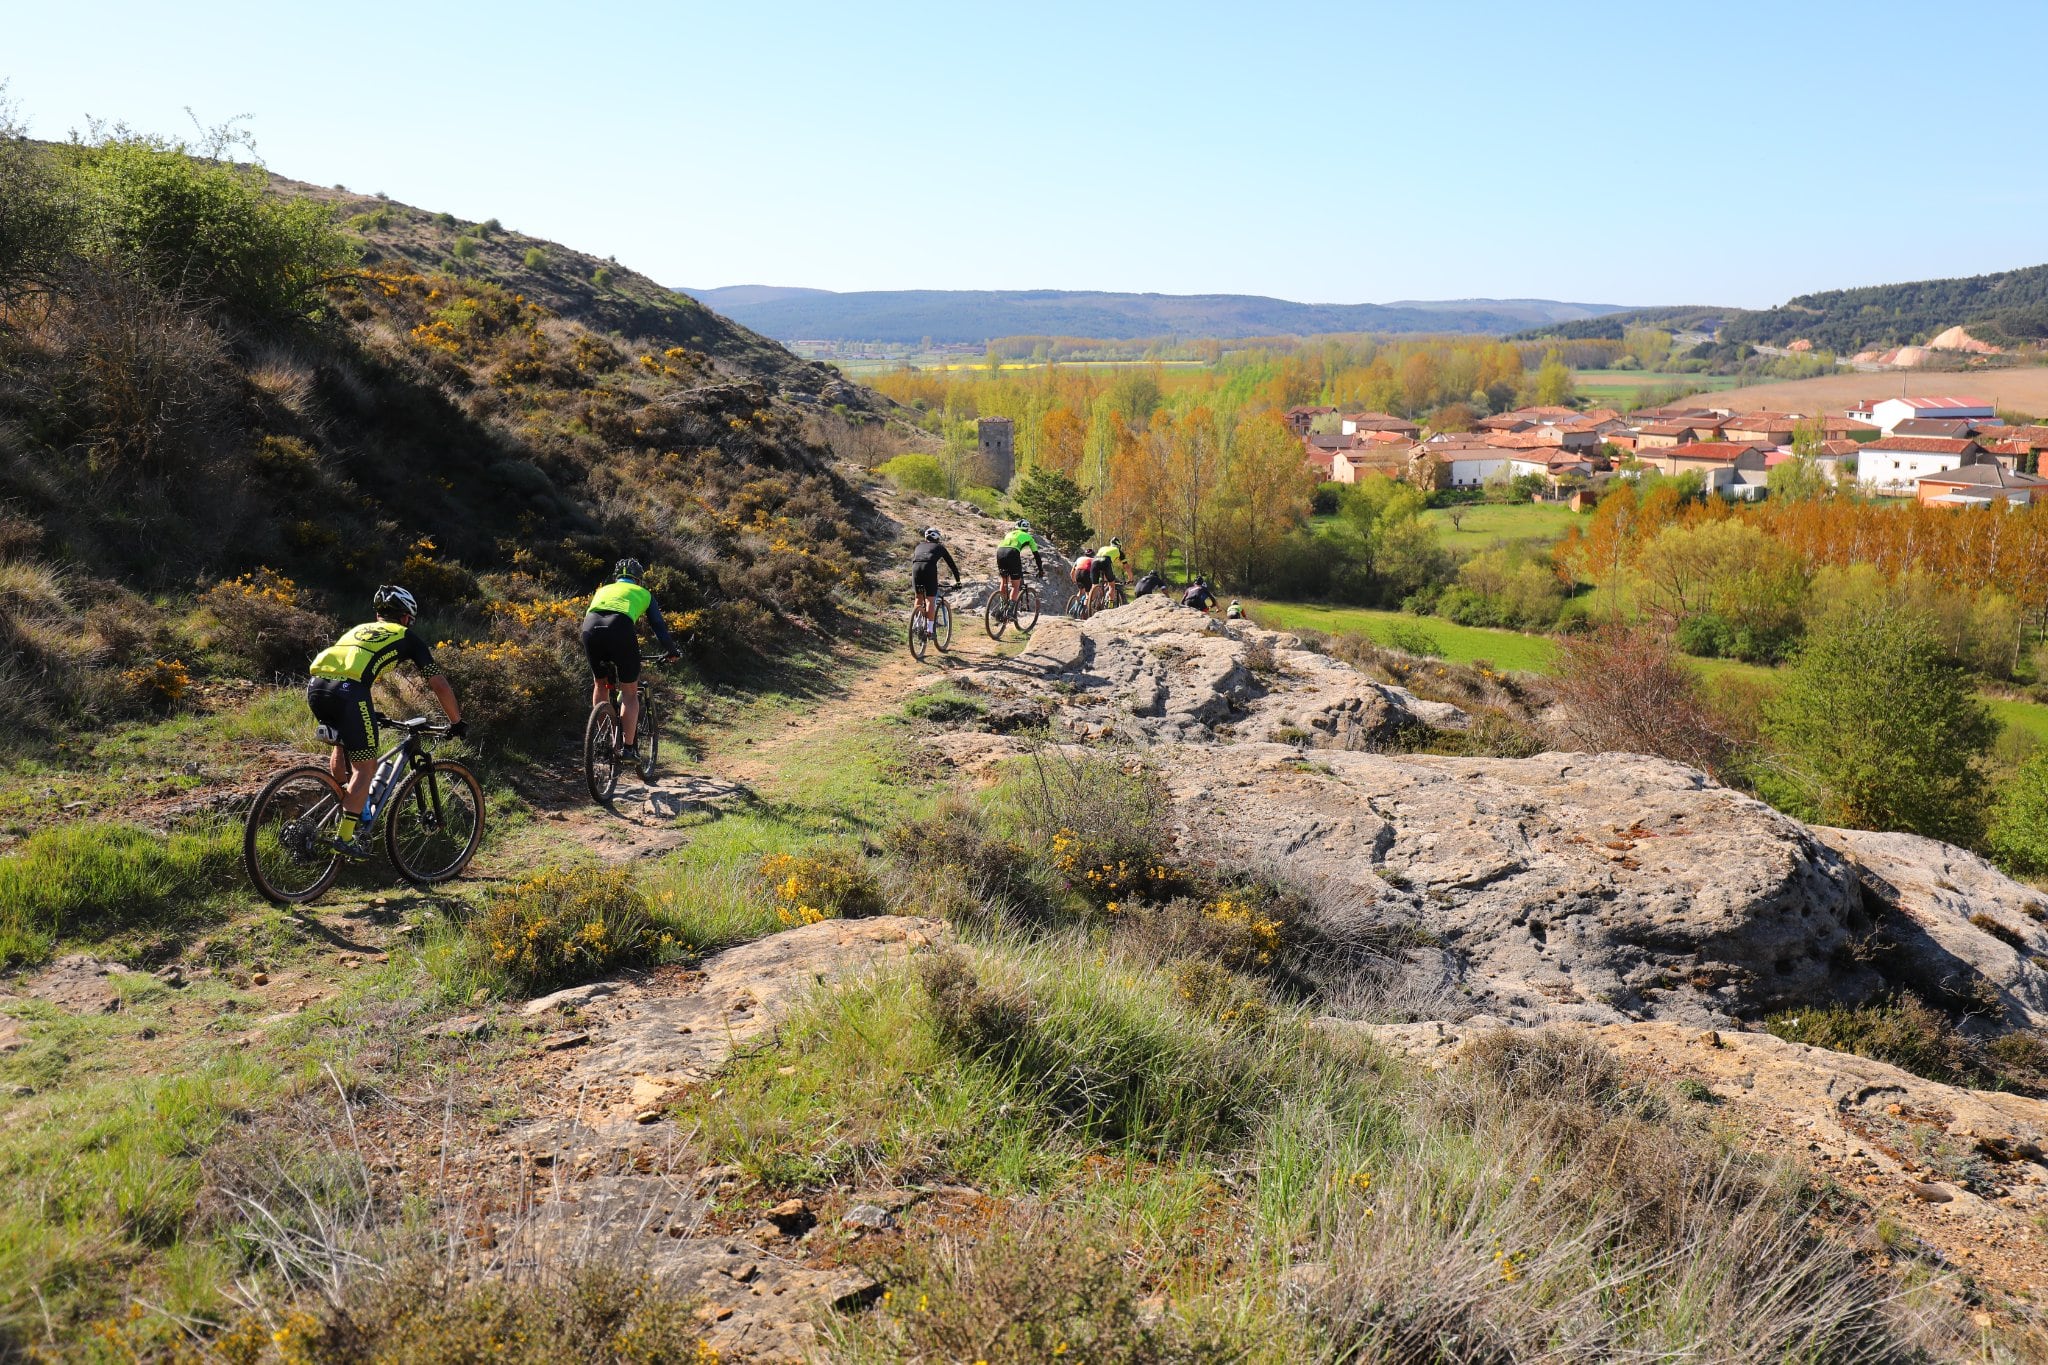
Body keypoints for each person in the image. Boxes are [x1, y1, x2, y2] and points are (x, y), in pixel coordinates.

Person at [306, 584, 464, 853]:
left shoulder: (358, 630)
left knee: (344, 745)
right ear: (405, 618)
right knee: (365, 768)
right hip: (350, 692)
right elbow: (439, 684)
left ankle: (349, 802)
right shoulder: (407, 636)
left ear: (380, 615)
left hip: (317, 686)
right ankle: (344, 839)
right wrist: (457, 721)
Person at [581, 558, 681, 765]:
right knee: (629, 691)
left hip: (590, 629)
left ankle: (601, 740)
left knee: (600, 683)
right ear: (638, 579)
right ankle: (628, 749)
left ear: (617, 578)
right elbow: (658, 627)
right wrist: (672, 650)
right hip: (620, 629)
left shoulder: (603, 590)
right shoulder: (644, 593)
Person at [911, 527, 959, 637]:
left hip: (915, 570)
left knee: (918, 597)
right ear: (937, 537)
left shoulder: (918, 546)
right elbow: (952, 566)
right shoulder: (939, 547)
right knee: (930, 600)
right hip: (929, 569)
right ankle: (929, 630)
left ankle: (916, 624)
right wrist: (958, 581)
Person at [995, 518, 1043, 608]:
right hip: (1012, 553)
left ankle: (1002, 606)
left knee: (1004, 580)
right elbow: (1036, 556)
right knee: (1015, 585)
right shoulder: (1029, 537)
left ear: (1016, 527)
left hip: (1000, 551)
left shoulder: (1009, 534)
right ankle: (1010, 610)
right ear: (1027, 529)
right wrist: (1040, 570)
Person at [1087, 537, 1127, 613]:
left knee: (1094, 585)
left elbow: (1099, 559)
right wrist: (1131, 578)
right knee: (1112, 584)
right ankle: (1110, 605)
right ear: (1119, 546)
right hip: (1106, 562)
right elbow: (1126, 566)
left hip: (1095, 561)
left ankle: (1090, 603)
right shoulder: (1118, 551)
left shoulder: (1103, 548)